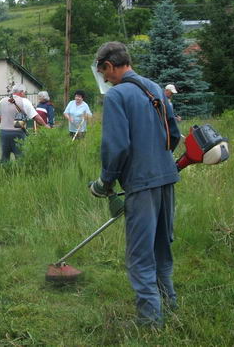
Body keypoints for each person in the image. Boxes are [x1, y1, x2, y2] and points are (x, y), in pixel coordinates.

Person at [90, 41, 181, 327]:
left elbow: (116, 146)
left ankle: (150, 320)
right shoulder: (155, 88)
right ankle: (169, 302)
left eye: (103, 72)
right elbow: (174, 134)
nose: (104, 79)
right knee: (161, 246)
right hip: (166, 177)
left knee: (140, 254)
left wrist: (106, 181)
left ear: (109, 65)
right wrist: (158, 159)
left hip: (141, 184)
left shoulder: (118, 95)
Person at [0, 83, 49, 163]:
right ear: (21, 92)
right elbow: (36, 117)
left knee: (5, 157)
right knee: (20, 157)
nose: (25, 94)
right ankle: (21, 173)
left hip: (4, 133)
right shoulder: (25, 101)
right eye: (24, 92)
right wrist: (45, 125)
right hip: (18, 133)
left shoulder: (2, 101)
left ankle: (4, 174)